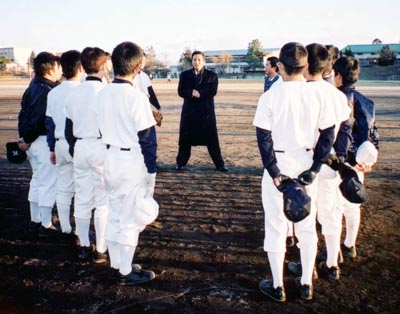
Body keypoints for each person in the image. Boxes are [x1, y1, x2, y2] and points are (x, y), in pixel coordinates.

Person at [253, 42, 336, 302]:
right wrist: (315, 168)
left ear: (280, 66)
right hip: (305, 163)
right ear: (306, 66)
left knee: (276, 226)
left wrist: (274, 171)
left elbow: (263, 138)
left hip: (279, 164)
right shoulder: (317, 94)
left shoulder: (270, 96)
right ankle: (305, 282)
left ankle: (278, 285)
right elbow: (328, 135)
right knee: (307, 227)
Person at [287, 44, 352, 281]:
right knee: (331, 212)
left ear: (305, 66)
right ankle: (332, 263)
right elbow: (345, 127)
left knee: (306, 216)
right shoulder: (337, 95)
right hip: (331, 161)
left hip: (306, 161)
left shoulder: (300, 92)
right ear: (328, 67)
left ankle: (307, 270)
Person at [95, 41, 158, 286]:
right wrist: (151, 171)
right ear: (138, 66)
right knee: (131, 217)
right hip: (130, 159)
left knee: (115, 212)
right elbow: (148, 140)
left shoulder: (102, 94)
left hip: (109, 156)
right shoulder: (137, 97)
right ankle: (125, 271)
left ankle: (117, 263)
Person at [64, 47, 109, 263]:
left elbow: (68, 128)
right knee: (102, 200)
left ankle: (83, 244)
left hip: (81, 146)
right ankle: (101, 248)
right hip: (101, 146)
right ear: (102, 66)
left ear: (83, 67)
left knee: (82, 199)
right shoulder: (106, 92)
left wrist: (76, 150)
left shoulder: (73, 93)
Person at [332, 56, 378, 260]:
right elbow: (373, 135)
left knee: (333, 209)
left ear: (338, 76)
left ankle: (334, 254)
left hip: (336, 162)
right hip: (358, 163)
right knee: (353, 206)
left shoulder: (333, 100)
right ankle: (349, 244)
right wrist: (368, 159)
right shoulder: (366, 102)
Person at [18, 52, 62, 237]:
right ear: (51, 69)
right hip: (42, 141)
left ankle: (35, 219)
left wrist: (24, 138)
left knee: (37, 180)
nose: (61, 71)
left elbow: (23, 115)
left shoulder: (32, 86)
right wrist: (27, 139)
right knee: (47, 183)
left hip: (32, 143)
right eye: (59, 67)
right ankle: (46, 225)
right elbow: (39, 120)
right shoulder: (47, 91)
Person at [46, 50, 84, 235]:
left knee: (63, 187)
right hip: (79, 144)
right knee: (82, 189)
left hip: (60, 143)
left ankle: (65, 228)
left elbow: (49, 122)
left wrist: (51, 147)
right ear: (81, 67)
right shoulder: (82, 91)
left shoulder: (53, 92)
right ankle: (80, 230)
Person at [176, 50, 227, 172]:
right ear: (191, 61)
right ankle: (180, 163)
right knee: (185, 140)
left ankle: (219, 164)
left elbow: (213, 91)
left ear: (204, 61)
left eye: (199, 60)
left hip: (206, 113)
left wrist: (200, 93)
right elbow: (180, 91)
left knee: (212, 140)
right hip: (189, 113)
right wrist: (190, 93)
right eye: (194, 59)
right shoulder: (184, 75)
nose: (196, 62)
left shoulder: (212, 76)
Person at [133, 53, 160, 196]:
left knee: (146, 141)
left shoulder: (143, 76)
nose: (143, 63)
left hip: (144, 108)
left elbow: (150, 92)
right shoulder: (131, 76)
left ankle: (148, 165)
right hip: (136, 110)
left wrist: (157, 106)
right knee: (143, 141)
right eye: (141, 61)